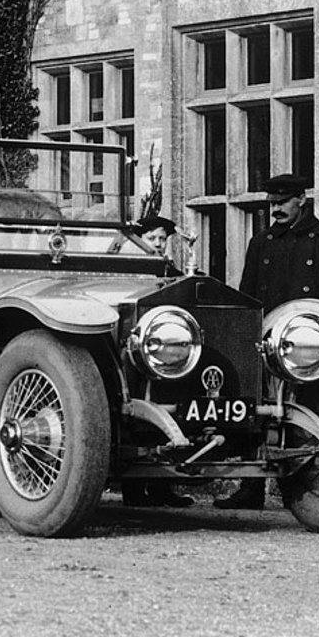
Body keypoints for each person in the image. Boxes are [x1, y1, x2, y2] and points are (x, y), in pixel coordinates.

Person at [215, 172, 319, 510]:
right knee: (257, 412)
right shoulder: (261, 242)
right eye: (271, 203)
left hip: (309, 347)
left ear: (301, 200)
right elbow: (248, 296)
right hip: (267, 343)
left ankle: (318, 491)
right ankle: (251, 489)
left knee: (316, 414)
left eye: (282, 202)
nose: (275, 208)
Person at [121, 214, 194, 509]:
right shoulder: (128, 272)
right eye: (152, 239)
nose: (158, 244)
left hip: (168, 358)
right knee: (137, 418)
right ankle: (135, 492)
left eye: (163, 240)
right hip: (136, 360)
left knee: (171, 413)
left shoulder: (172, 273)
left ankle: (164, 487)